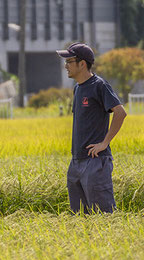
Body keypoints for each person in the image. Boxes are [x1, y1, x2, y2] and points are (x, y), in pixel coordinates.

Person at [56, 42, 127, 213]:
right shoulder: (78, 89)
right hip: (76, 161)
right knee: (80, 218)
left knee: (103, 217)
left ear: (82, 64)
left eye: (69, 61)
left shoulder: (99, 85)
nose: (65, 66)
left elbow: (120, 112)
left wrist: (104, 143)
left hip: (95, 162)